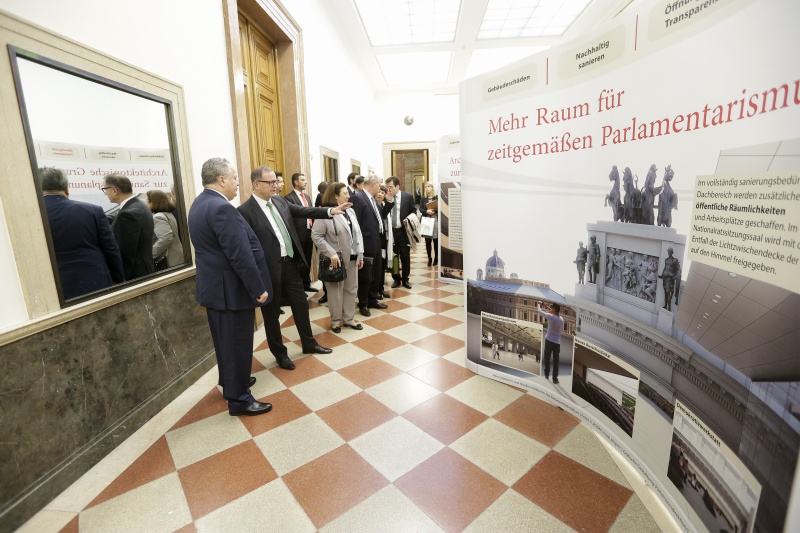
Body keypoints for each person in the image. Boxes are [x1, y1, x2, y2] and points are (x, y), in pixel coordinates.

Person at [188, 157, 272, 416]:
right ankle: (240, 400)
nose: (237, 183)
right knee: (237, 345)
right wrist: (257, 287)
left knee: (226, 344)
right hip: (231, 292)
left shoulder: (200, 203)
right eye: (234, 178)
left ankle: (230, 383)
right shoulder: (221, 208)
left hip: (215, 290)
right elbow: (240, 254)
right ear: (221, 179)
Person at [238, 165, 341, 369]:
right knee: (272, 315)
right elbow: (246, 248)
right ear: (257, 184)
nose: (275, 185)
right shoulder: (244, 211)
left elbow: (302, 210)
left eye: (275, 181)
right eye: (271, 182)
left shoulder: (279, 201)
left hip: (290, 264)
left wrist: (329, 210)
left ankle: (308, 343)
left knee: (301, 306)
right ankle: (280, 353)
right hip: (268, 270)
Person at [39, 167, 124, 299]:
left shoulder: (30, 217)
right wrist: (120, 280)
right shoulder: (93, 211)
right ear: (67, 188)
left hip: (52, 289)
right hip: (95, 283)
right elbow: (111, 249)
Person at [312, 183, 364, 333]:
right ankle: (335, 320)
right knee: (335, 292)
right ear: (335, 196)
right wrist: (330, 252)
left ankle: (349, 319)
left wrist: (360, 254)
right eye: (345, 193)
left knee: (351, 289)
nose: (348, 196)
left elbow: (356, 235)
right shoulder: (325, 213)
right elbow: (316, 236)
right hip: (336, 259)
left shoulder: (350, 212)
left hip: (352, 257)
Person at [350, 175, 392, 316]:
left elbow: (379, 217)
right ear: (373, 184)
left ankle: (373, 299)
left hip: (376, 241)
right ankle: (363, 303)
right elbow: (355, 224)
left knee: (376, 273)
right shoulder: (359, 198)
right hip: (366, 243)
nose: (380, 187)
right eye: (379, 184)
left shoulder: (372, 199)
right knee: (365, 275)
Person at [101, 173, 155, 280]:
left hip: (135, 275)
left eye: (105, 189)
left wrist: (121, 281)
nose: (105, 193)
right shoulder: (140, 205)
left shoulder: (127, 214)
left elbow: (125, 254)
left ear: (115, 191)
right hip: (145, 270)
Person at [283, 172, 316, 292]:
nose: (305, 182)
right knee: (299, 262)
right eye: (302, 180)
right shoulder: (289, 198)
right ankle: (299, 287)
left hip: (309, 233)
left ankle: (307, 284)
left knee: (308, 259)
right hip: (298, 235)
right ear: (296, 182)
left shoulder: (307, 197)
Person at [385, 176, 415, 289]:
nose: (389, 189)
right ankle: (396, 278)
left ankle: (405, 279)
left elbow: (413, 211)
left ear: (397, 186)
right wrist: (388, 200)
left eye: (391, 187)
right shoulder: (386, 197)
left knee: (405, 256)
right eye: (387, 187)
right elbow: (384, 213)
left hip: (403, 232)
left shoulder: (407, 197)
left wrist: (408, 219)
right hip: (391, 233)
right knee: (394, 256)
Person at [146, 190, 184, 269]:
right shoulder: (168, 214)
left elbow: (166, 238)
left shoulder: (158, 217)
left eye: (147, 201)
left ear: (153, 202)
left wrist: (150, 254)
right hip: (176, 256)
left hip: (169, 259)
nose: (146, 203)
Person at [538, 303, 564, 384]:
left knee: (547, 358)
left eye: (552, 308)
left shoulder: (551, 317)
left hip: (549, 341)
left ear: (554, 309)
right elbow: (554, 313)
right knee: (556, 361)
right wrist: (548, 307)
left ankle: (546, 374)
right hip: (557, 343)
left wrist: (539, 305)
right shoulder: (561, 319)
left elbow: (539, 311)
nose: (551, 309)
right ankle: (555, 378)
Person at [375, 184, 391, 300]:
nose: (380, 194)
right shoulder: (375, 206)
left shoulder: (385, 205)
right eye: (379, 192)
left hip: (385, 240)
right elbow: (382, 214)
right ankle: (375, 290)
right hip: (376, 240)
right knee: (376, 267)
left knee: (382, 266)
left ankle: (381, 288)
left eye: (382, 192)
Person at [420, 181, 439, 267]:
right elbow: (420, 209)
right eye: (426, 187)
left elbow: (440, 208)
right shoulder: (423, 199)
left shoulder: (437, 198)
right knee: (428, 241)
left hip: (435, 220)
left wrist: (434, 211)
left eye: (428, 186)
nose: (427, 188)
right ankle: (429, 258)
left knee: (435, 241)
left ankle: (436, 258)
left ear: (432, 188)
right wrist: (427, 211)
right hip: (427, 220)